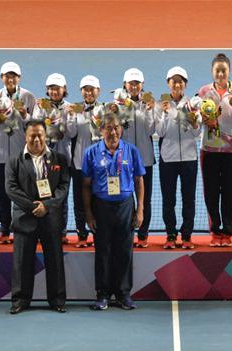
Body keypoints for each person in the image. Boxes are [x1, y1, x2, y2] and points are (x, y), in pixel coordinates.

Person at [82, 112, 145, 311]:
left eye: (116, 127)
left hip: (126, 206)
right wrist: (89, 214)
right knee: (103, 251)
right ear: (101, 130)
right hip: (101, 207)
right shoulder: (91, 152)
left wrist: (140, 210)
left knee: (124, 251)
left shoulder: (131, 151)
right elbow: (85, 185)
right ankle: (102, 295)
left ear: (121, 130)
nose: (113, 132)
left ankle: (123, 294)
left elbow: (139, 181)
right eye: (108, 128)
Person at [6, 120, 70, 314]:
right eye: (32, 135)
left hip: (51, 218)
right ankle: (20, 300)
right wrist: (34, 207)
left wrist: (47, 206)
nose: (36, 139)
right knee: (21, 262)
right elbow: (11, 188)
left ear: (45, 136)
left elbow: (63, 187)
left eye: (40, 135)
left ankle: (57, 300)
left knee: (55, 261)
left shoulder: (59, 159)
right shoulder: (14, 160)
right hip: (25, 217)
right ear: (25, 137)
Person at [197, 53, 232, 247]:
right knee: (210, 193)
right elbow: (197, 118)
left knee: (229, 192)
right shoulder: (203, 92)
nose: (220, 74)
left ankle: (227, 232)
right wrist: (203, 118)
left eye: (223, 70)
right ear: (212, 71)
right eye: (217, 71)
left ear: (229, 71)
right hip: (209, 150)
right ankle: (215, 231)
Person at [0, 61, 35, 244]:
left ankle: (22, 227)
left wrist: (24, 115)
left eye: (14, 76)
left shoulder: (28, 97)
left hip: (21, 156)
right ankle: (4, 229)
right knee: (3, 194)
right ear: (2, 78)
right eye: (7, 76)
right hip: (0, 155)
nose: (10, 79)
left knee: (23, 193)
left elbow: (34, 125)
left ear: (19, 78)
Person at [156, 66, 200, 249]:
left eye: (180, 81)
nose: (177, 84)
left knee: (189, 199)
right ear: (168, 83)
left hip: (189, 158)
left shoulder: (193, 104)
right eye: (174, 81)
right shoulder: (161, 105)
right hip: (168, 159)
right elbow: (160, 132)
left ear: (185, 84)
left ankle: (187, 235)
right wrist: (165, 114)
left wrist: (193, 121)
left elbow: (197, 133)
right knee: (169, 199)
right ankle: (171, 235)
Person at [116, 68, 157, 247]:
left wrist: (149, 110)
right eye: (130, 83)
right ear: (125, 84)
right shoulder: (117, 104)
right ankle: (125, 234)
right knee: (123, 198)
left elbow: (151, 130)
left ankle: (142, 235)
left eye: (137, 83)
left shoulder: (149, 103)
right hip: (123, 160)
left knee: (144, 199)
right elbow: (114, 132)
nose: (133, 86)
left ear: (142, 84)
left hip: (144, 159)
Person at [32, 73, 73, 244]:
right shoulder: (41, 106)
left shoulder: (70, 108)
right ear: (47, 90)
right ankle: (43, 231)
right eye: (51, 88)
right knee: (43, 195)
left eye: (57, 88)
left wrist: (67, 117)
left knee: (62, 197)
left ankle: (61, 232)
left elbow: (71, 133)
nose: (54, 91)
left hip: (64, 160)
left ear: (64, 89)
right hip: (43, 161)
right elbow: (35, 128)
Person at [65, 75, 102, 248]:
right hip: (79, 164)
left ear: (98, 91)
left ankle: (98, 235)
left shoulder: (104, 110)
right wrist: (71, 116)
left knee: (97, 202)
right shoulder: (75, 109)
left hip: (98, 166)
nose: (88, 93)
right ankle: (81, 235)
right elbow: (70, 134)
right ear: (81, 91)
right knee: (79, 202)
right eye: (85, 90)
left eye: (91, 89)